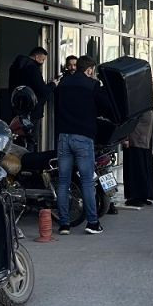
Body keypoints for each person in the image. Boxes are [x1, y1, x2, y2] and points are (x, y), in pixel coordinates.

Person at [54, 55, 109, 236]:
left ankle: (64, 224)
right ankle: (92, 222)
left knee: (63, 181)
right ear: (90, 69)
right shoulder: (92, 85)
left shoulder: (63, 83)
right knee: (86, 181)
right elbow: (105, 107)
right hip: (83, 137)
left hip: (63, 136)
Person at [122, 82, 153, 209]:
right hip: (140, 141)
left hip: (139, 141)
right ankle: (140, 196)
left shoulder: (141, 103)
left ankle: (139, 196)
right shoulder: (142, 103)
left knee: (139, 169)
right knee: (140, 168)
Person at [8, 47, 55, 128]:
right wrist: (53, 84)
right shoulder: (33, 68)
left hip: (16, 107)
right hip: (32, 110)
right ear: (37, 57)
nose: (43, 62)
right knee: (31, 137)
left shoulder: (15, 66)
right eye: (42, 59)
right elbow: (42, 90)